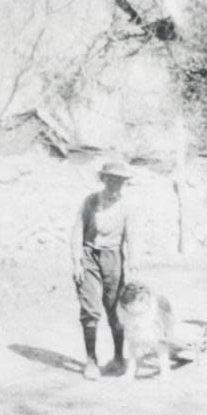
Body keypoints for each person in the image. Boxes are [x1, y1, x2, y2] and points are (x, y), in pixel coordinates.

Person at [70, 161, 141, 381]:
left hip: (113, 258)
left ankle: (119, 358)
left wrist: (133, 264)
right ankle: (91, 361)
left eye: (119, 181)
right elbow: (77, 232)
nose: (115, 185)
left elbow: (132, 237)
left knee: (115, 308)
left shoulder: (127, 207)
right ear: (103, 180)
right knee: (90, 309)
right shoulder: (90, 202)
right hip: (89, 255)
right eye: (111, 179)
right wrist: (77, 262)